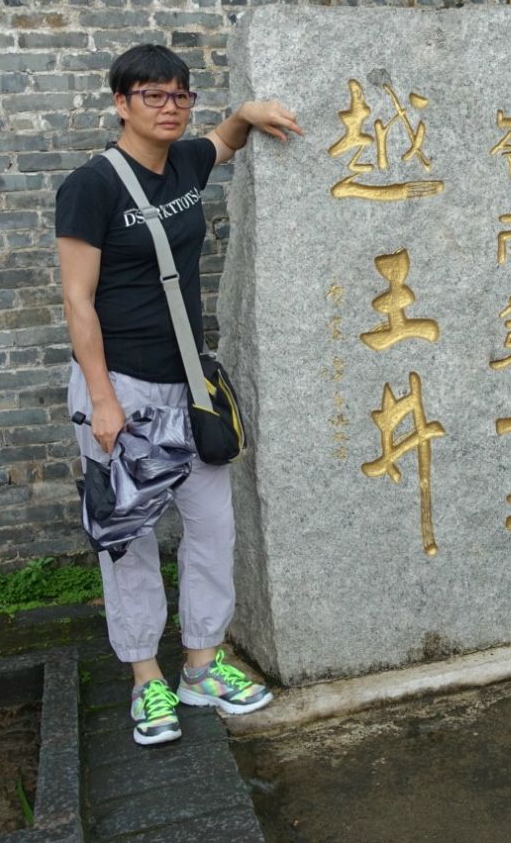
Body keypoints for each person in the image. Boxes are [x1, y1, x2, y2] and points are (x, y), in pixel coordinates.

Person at [55, 43, 302, 746]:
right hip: (123, 386)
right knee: (128, 538)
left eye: (180, 96)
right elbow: (77, 300)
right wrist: (102, 398)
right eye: (153, 96)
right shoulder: (91, 186)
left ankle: (200, 664)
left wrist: (245, 112)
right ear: (121, 103)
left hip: (190, 386)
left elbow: (225, 141)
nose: (169, 108)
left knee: (212, 527)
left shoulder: (187, 163)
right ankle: (145, 678)